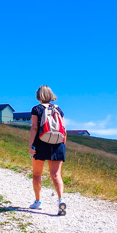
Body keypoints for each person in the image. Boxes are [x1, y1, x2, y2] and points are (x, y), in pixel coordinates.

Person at [28, 85, 67, 215]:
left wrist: (31, 144)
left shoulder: (36, 109)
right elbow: (64, 130)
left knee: (37, 174)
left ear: (39, 95)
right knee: (56, 175)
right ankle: (61, 199)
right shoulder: (58, 109)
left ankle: (38, 201)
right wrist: (62, 144)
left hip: (41, 143)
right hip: (58, 144)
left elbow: (34, 127)